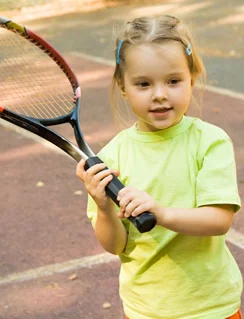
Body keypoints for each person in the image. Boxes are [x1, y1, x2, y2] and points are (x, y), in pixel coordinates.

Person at [76, 15, 242, 319]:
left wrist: (161, 213)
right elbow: (115, 245)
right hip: (146, 309)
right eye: (143, 84)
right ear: (122, 87)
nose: (160, 94)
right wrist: (103, 207)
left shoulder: (210, 142)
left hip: (211, 307)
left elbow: (219, 220)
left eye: (173, 81)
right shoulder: (112, 158)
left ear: (192, 77)